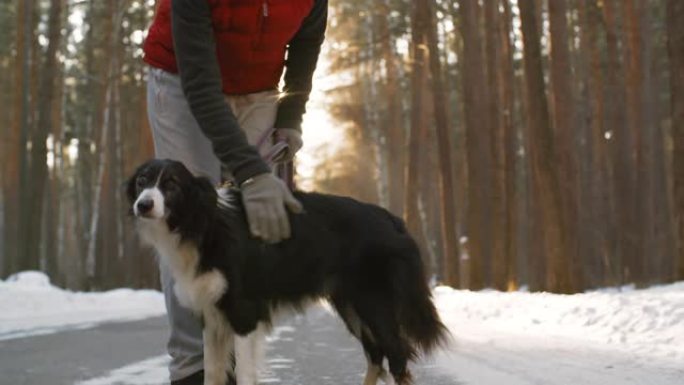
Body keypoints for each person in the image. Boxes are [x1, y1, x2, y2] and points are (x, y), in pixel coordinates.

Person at [142, 0, 328, 383]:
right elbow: (201, 85)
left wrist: (291, 118)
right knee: (185, 220)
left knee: (249, 225)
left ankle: (237, 359)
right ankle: (194, 367)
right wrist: (251, 173)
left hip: (259, 89)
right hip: (182, 84)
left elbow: (307, 44)